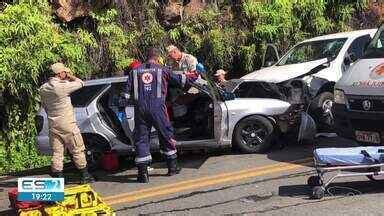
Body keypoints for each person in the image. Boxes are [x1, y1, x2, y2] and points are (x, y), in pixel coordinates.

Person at [124, 48, 199, 183]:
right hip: (158, 108)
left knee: (141, 138)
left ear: (146, 58)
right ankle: (172, 167)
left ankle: (143, 174)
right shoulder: (162, 69)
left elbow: (125, 95)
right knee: (165, 134)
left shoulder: (134, 71)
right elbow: (181, 80)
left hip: (140, 109)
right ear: (157, 58)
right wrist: (194, 75)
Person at [39, 62, 94, 184]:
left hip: (53, 124)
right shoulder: (62, 87)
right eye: (64, 71)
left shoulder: (43, 88)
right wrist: (71, 76)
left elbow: (45, 106)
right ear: (60, 73)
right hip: (68, 124)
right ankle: (85, 175)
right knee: (77, 149)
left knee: (57, 152)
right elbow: (81, 83)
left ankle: (58, 178)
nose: (66, 73)